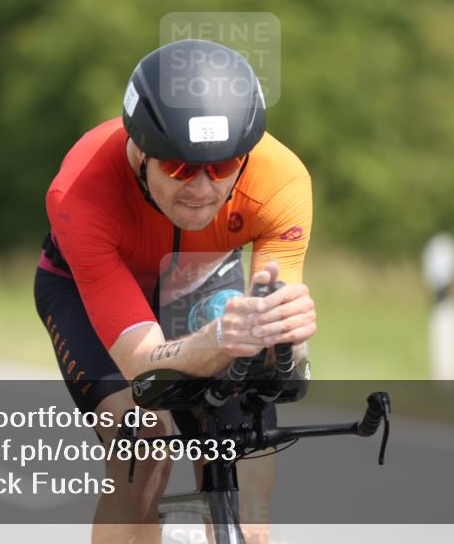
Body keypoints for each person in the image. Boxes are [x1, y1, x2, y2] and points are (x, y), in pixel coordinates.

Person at [34, 39, 316, 543]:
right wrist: (216, 342)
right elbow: (142, 358)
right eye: (181, 168)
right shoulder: (80, 192)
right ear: (139, 149)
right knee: (143, 451)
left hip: (200, 280)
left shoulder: (281, 181)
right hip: (86, 293)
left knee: (246, 486)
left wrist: (285, 340)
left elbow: (274, 320)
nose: (203, 189)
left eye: (224, 166)